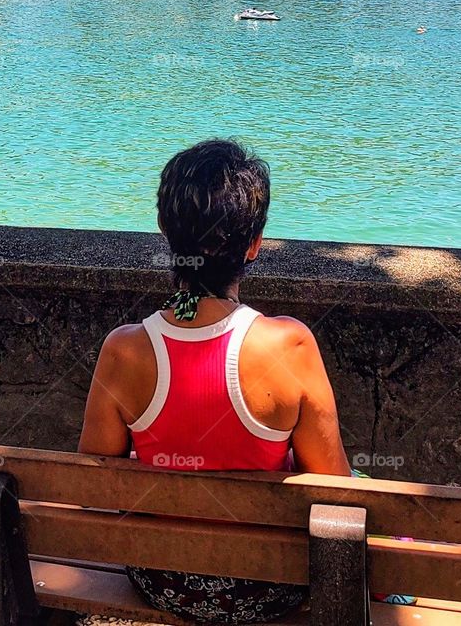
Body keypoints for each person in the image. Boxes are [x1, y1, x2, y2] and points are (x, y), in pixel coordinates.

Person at [79, 139, 351, 623]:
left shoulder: (124, 350)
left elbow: (97, 481)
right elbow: (335, 489)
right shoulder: (290, 346)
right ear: (254, 245)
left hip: (160, 578)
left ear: (165, 231)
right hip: (268, 582)